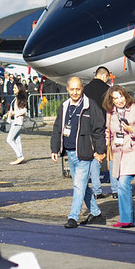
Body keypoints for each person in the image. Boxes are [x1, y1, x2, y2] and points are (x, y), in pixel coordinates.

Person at [50, 77, 106, 228]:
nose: (75, 92)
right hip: (69, 152)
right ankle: (96, 213)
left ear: (82, 89)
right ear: (67, 89)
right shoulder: (64, 106)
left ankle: (72, 217)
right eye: (72, 89)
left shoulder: (90, 106)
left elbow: (98, 129)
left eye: (78, 89)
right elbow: (57, 128)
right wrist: (55, 148)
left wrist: (101, 151)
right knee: (81, 186)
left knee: (78, 186)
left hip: (84, 152)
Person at [103, 85, 135, 227]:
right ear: (111, 100)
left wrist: (132, 130)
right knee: (120, 185)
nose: (119, 101)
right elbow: (108, 132)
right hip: (118, 152)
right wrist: (104, 147)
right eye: (115, 98)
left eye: (121, 96)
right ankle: (128, 219)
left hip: (133, 150)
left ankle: (127, 219)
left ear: (125, 95)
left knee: (123, 183)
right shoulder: (110, 112)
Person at [82, 66, 112, 199]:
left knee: (95, 159)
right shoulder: (107, 90)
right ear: (105, 76)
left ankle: (96, 190)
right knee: (111, 157)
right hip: (105, 125)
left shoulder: (85, 89)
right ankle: (116, 189)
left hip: (89, 126)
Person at [3, 82, 27, 165]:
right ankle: (20, 156)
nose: (13, 89)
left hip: (17, 122)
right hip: (15, 121)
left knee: (9, 139)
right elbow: (14, 110)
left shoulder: (20, 99)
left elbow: (24, 110)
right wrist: (7, 114)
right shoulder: (16, 98)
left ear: (19, 89)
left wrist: (14, 113)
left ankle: (20, 156)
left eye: (15, 88)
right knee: (17, 140)